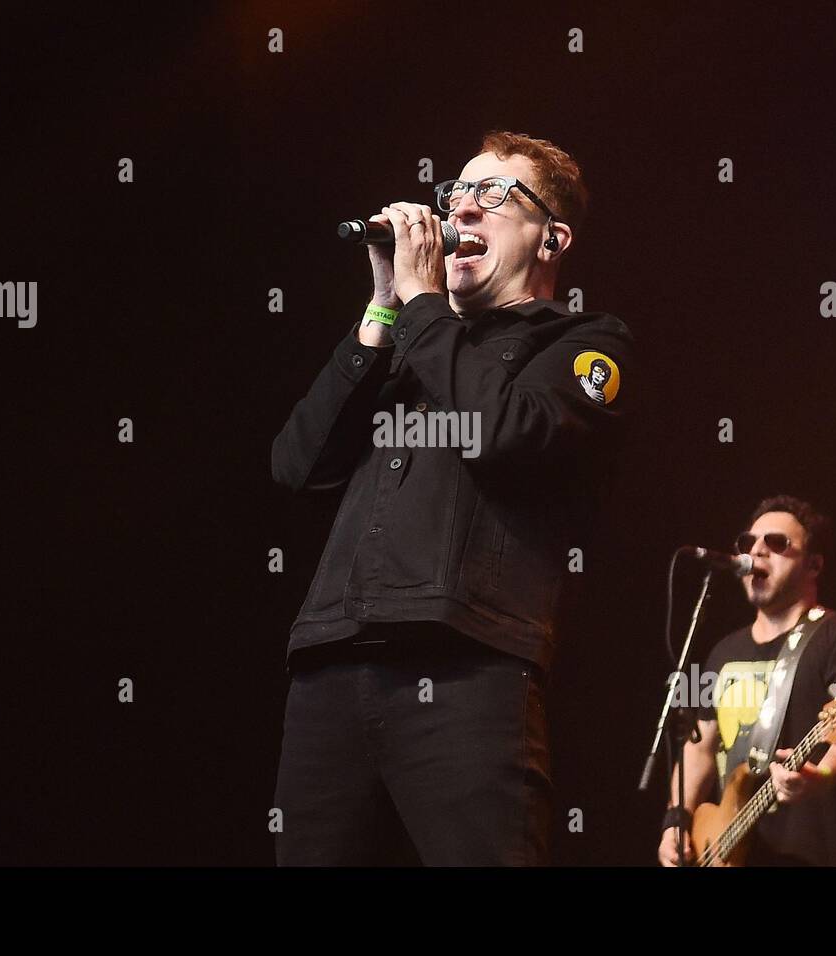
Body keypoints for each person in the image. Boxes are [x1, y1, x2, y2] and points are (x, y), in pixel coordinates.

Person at [270, 131, 635, 865]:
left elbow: (502, 430)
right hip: (332, 666)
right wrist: (382, 310)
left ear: (551, 238)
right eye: (456, 193)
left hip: (465, 669)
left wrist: (425, 305)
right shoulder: (408, 341)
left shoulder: (584, 342)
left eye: (495, 195)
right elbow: (296, 465)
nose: (463, 207)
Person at [658, 495, 836, 866]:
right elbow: (699, 747)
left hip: (814, 854)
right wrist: (676, 821)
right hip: (726, 846)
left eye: (777, 543)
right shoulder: (721, 652)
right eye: (748, 543)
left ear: (814, 565)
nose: (757, 551)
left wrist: (819, 774)